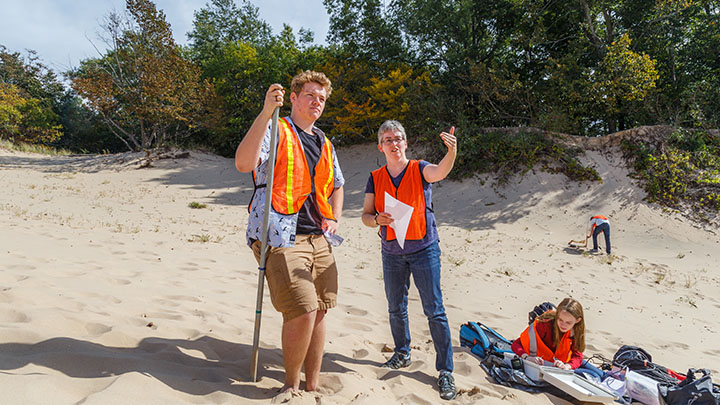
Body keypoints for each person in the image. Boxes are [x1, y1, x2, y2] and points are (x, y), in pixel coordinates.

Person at [235, 70, 345, 392]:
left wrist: (335, 219)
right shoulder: (276, 128)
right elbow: (244, 163)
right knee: (302, 310)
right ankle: (290, 388)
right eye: (310, 95)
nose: (317, 102)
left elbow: (337, 184)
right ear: (294, 98)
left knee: (321, 309)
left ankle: (311, 387)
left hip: (319, 237)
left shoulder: (324, 141)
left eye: (322, 98)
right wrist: (267, 111)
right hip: (280, 235)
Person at [361, 120, 458, 400]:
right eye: (388, 139)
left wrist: (451, 152)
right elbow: (366, 216)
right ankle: (402, 353)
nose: (394, 143)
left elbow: (439, 172)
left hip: (424, 248)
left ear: (406, 143)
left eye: (399, 138)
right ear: (381, 146)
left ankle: (446, 371)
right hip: (391, 251)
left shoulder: (419, 168)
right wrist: (376, 219)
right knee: (395, 307)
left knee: (434, 310)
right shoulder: (375, 177)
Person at [511, 297, 604, 380]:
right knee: (595, 376)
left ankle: (612, 376)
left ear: (577, 320)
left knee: (601, 375)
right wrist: (527, 357)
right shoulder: (544, 325)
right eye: (560, 320)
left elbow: (577, 356)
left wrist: (568, 366)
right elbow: (515, 344)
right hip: (546, 364)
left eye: (568, 322)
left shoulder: (576, 330)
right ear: (557, 315)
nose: (563, 325)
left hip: (563, 364)